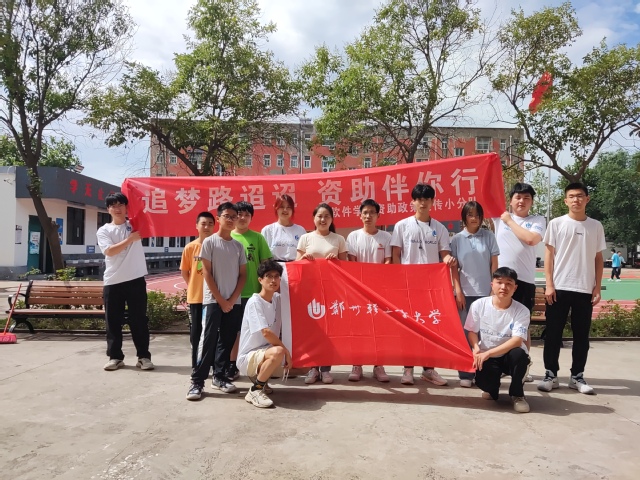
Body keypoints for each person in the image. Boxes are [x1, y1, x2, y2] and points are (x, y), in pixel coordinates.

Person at [538, 183, 606, 395]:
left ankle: (577, 376)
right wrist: (549, 284)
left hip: (584, 288)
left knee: (581, 336)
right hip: (559, 287)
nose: (576, 200)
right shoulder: (556, 224)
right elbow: (549, 255)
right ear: (565, 200)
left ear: (587, 199)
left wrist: (597, 287)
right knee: (553, 334)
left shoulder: (596, 226)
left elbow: (598, 258)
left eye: (580, 196)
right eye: (572, 196)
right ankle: (551, 374)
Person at [390, 183, 456, 386]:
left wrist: (448, 259)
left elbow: (444, 254)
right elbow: (396, 255)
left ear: (433, 202)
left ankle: (429, 369)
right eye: (419, 199)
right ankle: (408, 369)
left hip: (430, 287)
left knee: (431, 327)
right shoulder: (402, 226)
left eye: (427, 199)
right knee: (409, 327)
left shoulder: (440, 228)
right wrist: (399, 280)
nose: (423, 203)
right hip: (408, 285)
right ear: (413, 202)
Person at [186, 202, 247, 401]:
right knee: (207, 340)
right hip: (212, 301)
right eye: (227, 216)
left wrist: (232, 299)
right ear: (219, 218)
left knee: (227, 340)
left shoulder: (238, 246)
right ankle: (197, 381)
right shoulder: (209, 243)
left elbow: (243, 275)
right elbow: (206, 273)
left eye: (234, 217)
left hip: (233, 302)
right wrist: (221, 300)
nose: (231, 220)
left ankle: (219, 377)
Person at [493, 182, 546, 381]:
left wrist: (509, 220)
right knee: (498, 323)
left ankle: (521, 368)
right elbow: (485, 195)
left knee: (522, 326)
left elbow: (531, 239)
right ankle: (499, 365)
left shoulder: (537, 220)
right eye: (518, 197)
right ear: (510, 200)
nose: (521, 201)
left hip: (523, 281)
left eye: (526, 198)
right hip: (501, 281)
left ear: (531, 202)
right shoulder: (498, 218)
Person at [97, 192, 153, 371]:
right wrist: (130, 239)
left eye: (121, 204)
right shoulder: (104, 230)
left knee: (139, 321)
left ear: (127, 207)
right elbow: (109, 251)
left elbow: (146, 211)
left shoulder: (134, 225)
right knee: (113, 321)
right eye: (113, 205)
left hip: (135, 279)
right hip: (113, 281)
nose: (117, 208)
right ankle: (115, 357)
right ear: (108, 209)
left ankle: (143, 357)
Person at [466, 267, 531, 413]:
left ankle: (517, 394)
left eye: (509, 283)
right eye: (499, 282)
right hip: (488, 355)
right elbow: (472, 332)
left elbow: (517, 340)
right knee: (487, 388)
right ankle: (492, 388)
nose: (503, 287)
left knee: (519, 355)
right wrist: (476, 349)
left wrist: (487, 353)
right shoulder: (479, 305)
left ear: (515, 287)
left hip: (509, 355)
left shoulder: (522, 310)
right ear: (492, 285)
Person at [296, 203, 348, 385]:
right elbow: (296, 265)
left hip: (330, 291)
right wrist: (304, 259)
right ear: (314, 218)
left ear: (332, 219)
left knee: (328, 330)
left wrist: (336, 261)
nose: (323, 219)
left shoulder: (339, 239)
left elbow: (346, 267)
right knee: (311, 329)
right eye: (319, 216)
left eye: (327, 216)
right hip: (309, 291)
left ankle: (325, 369)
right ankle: (313, 368)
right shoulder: (305, 238)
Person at [450, 201, 499, 388]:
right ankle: (465, 373)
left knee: (484, 335)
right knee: (465, 334)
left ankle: (483, 374)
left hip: (485, 293)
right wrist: (458, 291)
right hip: (465, 294)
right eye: (470, 215)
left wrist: (493, 289)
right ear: (464, 217)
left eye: (477, 215)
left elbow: (494, 264)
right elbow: (454, 269)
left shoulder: (489, 236)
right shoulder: (457, 239)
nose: (474, 218)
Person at [345, 199, 392, 383]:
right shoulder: (353, 236)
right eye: (365, 212)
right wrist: (362, 284)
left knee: (378, 329)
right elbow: (352, 262)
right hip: (359, 290)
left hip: (380, 291)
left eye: (372, 212)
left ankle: (378, 365)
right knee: (359, 328)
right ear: (360, 215)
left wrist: (378, 282)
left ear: (378, 215)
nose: (368, 216)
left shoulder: (386, 237)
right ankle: (357, 365)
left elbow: (388, 262)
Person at [237, 259, 292, 408]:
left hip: (265, 352)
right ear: (260, 280)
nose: (273, 280)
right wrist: (286, 351)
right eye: (269, 276)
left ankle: (261, 379)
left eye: (276, 276)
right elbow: (266, 332)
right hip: (248, 357)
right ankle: (255, 390)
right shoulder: (255, 302)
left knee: (302, 365)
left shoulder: (277, 299)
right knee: (279, 352)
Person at [228, 201, 272, 379]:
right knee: (232, 331)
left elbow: (266, 266)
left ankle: (256, 366)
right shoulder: (227, 237)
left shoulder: (258, 238)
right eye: (239, 214)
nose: (243, 218)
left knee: (254, 332)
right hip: (231, 295)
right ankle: (231, 365)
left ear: (251, 218)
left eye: (247, 215)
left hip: (252, 294)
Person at [180, 211, 215, 370]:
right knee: (196, 333)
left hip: (214, 297)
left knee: (212, 333)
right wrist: (193, 285)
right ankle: (197, 365)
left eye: (210, 224)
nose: (207, 227)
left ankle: (212, 364)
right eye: (203, 224)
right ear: (197, 226)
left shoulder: (217, 246)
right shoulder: (190, 247)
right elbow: (185, 272)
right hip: (196, 298)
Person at [261, 194, 308, 262]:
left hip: (295, 266)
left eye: (288, 207)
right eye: (282, 207)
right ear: (276, 208)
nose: (285, 210)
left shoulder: (300, 230)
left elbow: (305, 253)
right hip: (274, 267)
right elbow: (263, 256)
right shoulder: (267, 230)